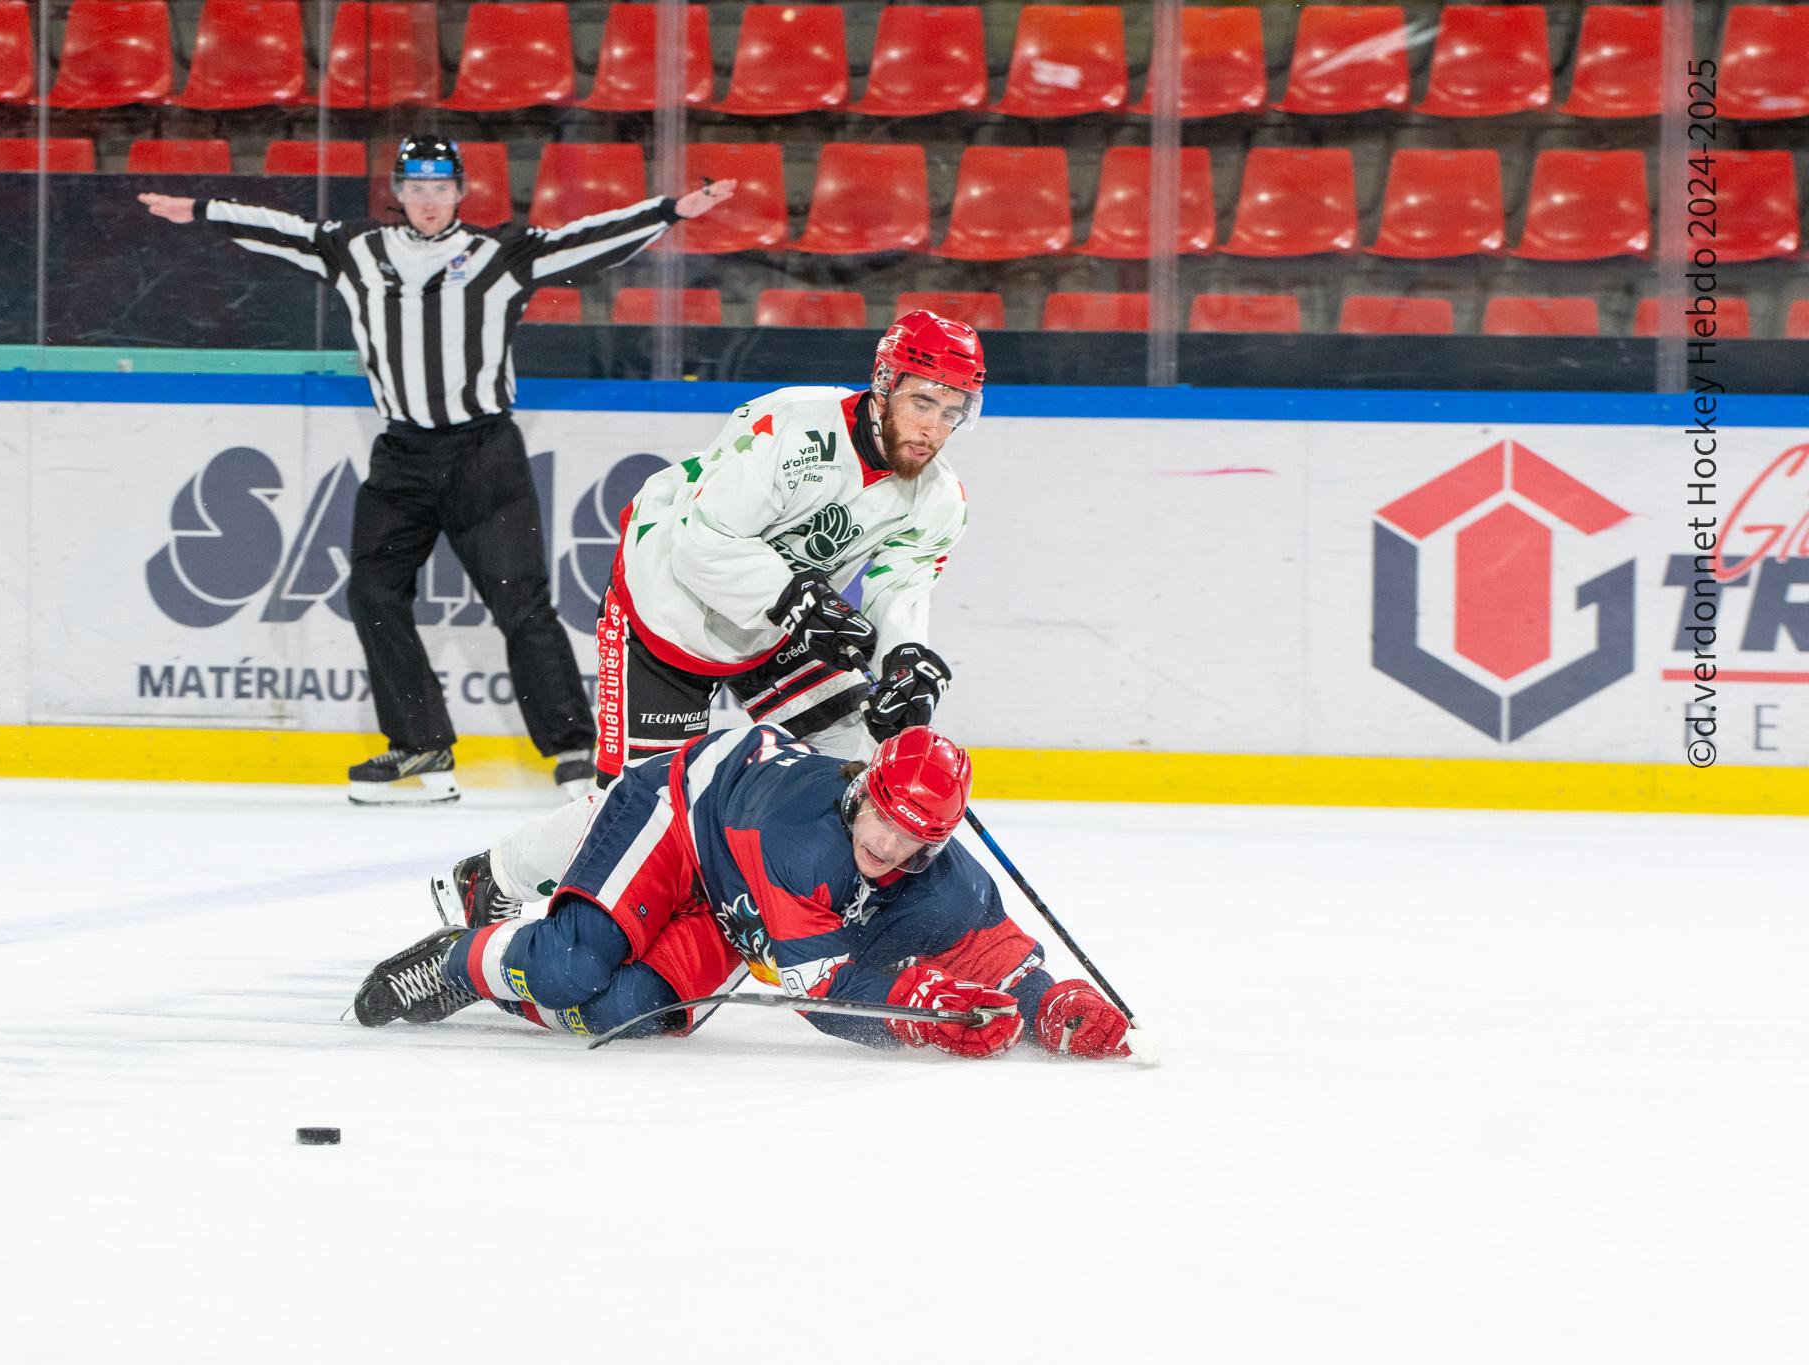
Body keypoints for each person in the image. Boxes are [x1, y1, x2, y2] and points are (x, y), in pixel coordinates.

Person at [139, 135, 738, 804]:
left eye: (440, 187)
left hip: (484, 453)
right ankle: (421, 746)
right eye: (416, 187)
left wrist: (668, 211)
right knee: (372, 591)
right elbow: (282, 232)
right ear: (398, 193)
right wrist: (201, 211)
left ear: (460, 192)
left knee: (521, 601)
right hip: (401, 454)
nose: (428, 200)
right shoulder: (355, 251)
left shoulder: (497, 257)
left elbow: (586, 242)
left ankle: (573, 750)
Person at [439, 308, 986, 911]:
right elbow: (704, 543)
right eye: (923, 402)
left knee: (858, 753)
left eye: (952, 411)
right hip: (668, 608)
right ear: (884, 384)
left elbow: (900, 588)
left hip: (777, 625)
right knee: (642, 816)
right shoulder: (791, 428)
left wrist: (902, 664)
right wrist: (793, 598)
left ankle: (812, 901)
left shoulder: (938, 497)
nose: (933, 428)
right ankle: (493, 878)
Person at [354, 723, 1138, 1060]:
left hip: (740, 915)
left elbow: (995, 956)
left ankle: (504, 973)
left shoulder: (944, 880)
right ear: (861, 788)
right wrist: (923, 1014)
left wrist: (1049, 1006)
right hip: (684, 822)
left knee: (618, 1015)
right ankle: (461, 961)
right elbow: (826, 995)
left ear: (939, 845)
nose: (886, 843)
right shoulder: (802, 843)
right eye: (881, 815)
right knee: (569, 964)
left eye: (913, 838)